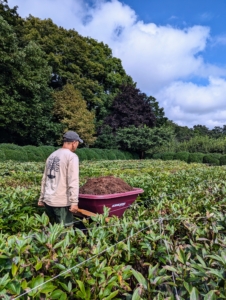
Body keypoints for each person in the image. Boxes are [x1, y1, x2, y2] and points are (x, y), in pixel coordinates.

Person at [38, 131, 83, 226]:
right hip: (61, 202)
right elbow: (73, 180)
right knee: (64, 232)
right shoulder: (71, 156)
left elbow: (45, 179)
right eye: (78, 143)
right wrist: (74, 202)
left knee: (52, 230)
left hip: (48, 200)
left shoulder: (52, 155)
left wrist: (41, 198)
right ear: (74, 143)